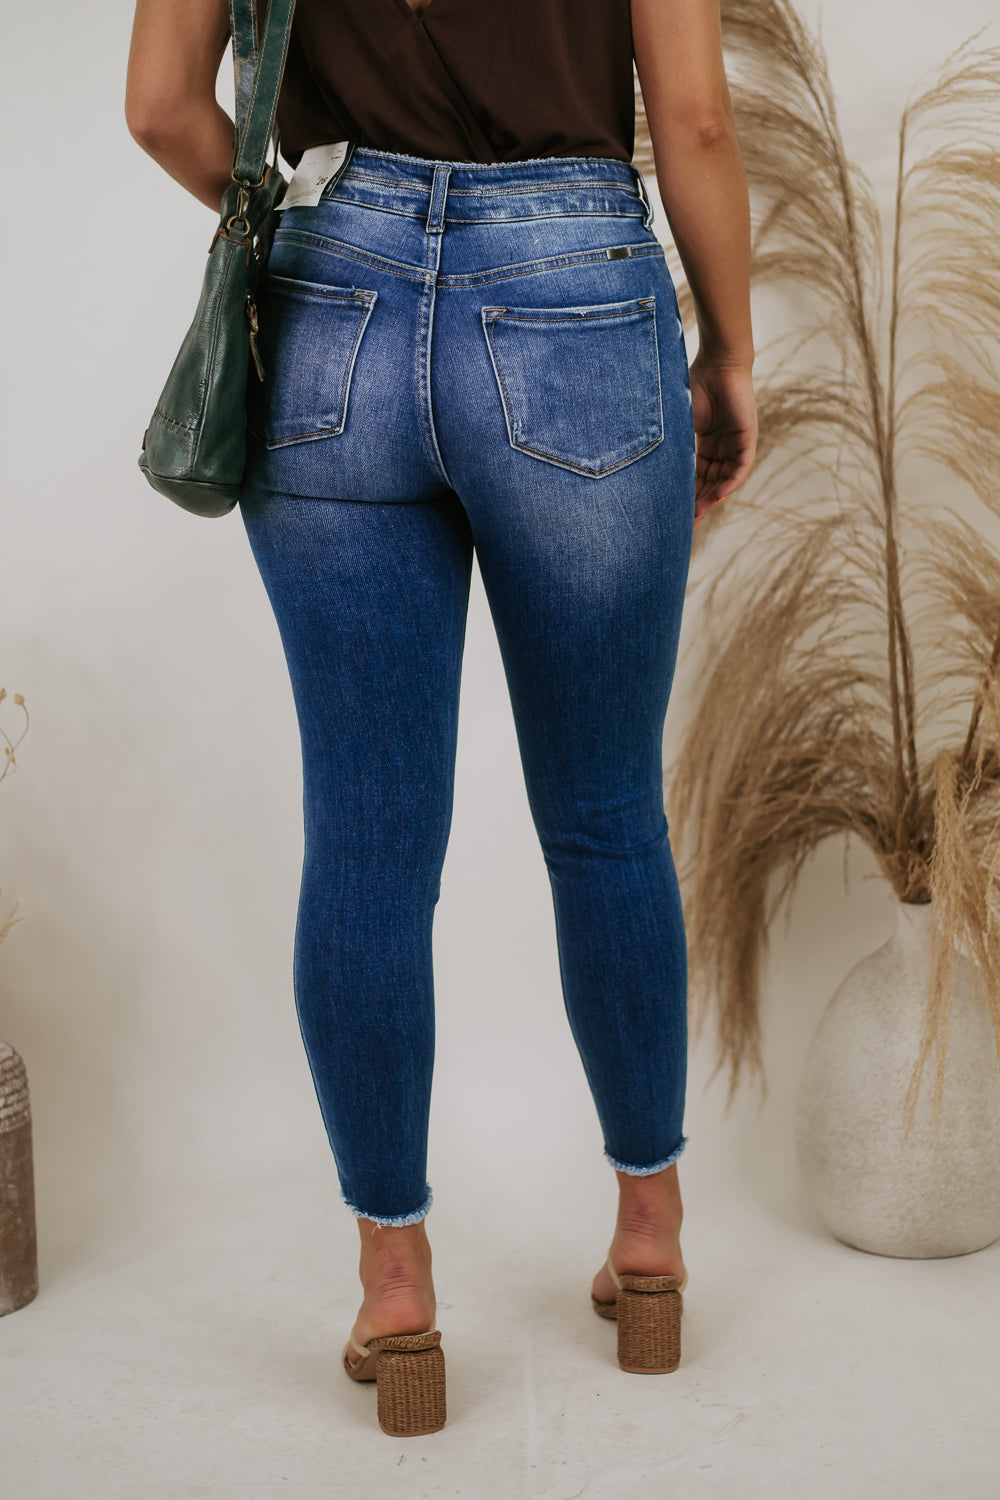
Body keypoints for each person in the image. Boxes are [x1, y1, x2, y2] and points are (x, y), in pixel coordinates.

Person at [126, 0, 757, 1436]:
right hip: (579, 293)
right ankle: (650, 1241)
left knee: (366, 845)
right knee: (606, 819)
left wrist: (317, 229)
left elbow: (162, 105)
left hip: (331, 308)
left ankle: (395, 1288)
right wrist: (728, 347)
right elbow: (698, 122)